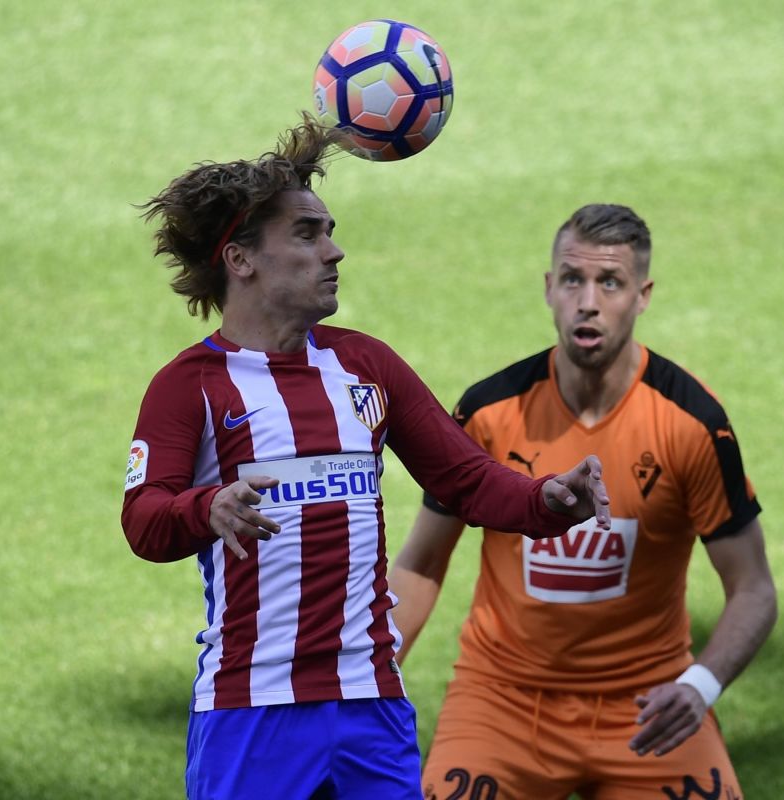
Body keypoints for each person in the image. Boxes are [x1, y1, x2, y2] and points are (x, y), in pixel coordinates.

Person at [120, 117, 611, 800]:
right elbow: (143, 520)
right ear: (240, 259)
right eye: (307, 234)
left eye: (329, 231)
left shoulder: (364, 365)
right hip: (252, 708)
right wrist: (209, 506)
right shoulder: (190, 386)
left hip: (370, 703)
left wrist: (549, 499)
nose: (335, 250)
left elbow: (466, 480)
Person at [389, 204, 777, 800]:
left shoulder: (693, 425)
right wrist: (364, 680)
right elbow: (421, 563)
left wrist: (699, 686)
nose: (588, 301)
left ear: (642, 295)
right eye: (573, 279)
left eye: (610, 282)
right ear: (549, 288)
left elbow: (752, 588)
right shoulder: (489, 414)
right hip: (501, 702)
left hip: (649, 703)